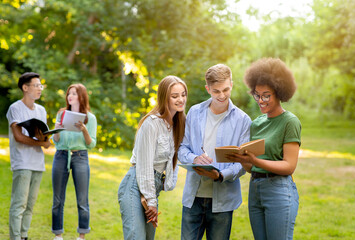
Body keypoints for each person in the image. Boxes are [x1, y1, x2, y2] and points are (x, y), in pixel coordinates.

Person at [226, 57, 301, 240]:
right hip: (256, 189)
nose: (261, 100)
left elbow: (289, 166)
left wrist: (255, 160)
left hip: (279, 190)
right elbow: (253, 168)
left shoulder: (289, 122)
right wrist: (244, 161)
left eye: (266, 95)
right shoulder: (256, 124)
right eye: (257, 95)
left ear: (279, 92)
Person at [178, 64, 252, 240]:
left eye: (226, 89)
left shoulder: (243, 120)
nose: (222, 95)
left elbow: (244, 162)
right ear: (208, 89)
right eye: (216, 91)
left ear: (231, 84)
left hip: (223, 201)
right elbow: (182, 147)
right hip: (193, 197)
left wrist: (221, 175)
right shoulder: (194, 112)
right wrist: (195, 158)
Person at [118, 76, 187, 240]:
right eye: (174, 95)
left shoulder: (178, 125)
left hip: (152, 188)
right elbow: (143, 166)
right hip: (135, 185)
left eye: (183, 94)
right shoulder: (152, 123)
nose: (180, 99)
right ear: (164, 97)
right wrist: (150, 201)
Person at [6, 72, 51, 240]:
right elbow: (18, 137)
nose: (40, 89)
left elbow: (42, 136)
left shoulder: (41, 110)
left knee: (30, 205)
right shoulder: (15, 108)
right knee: (19, 204)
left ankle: (24, 236)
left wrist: (46, 139)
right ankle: (15, 237)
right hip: (22, 162)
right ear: (25, 88)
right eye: (36, 85)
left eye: (41, 85)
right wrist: (41, 143)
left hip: (37, 163)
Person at [51, 83, 97, 240]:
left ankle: (82, 235)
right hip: (61, 155)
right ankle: (58, 235)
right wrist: (57, 129)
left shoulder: (90, 118)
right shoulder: (61, 114)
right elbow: (55, 141)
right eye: (69, 93)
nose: (70, 96)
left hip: (80, 157)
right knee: (57, 199)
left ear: (82, 97)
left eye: (74, 93)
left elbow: (91, 144)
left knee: (82, 200)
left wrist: (84, 130)